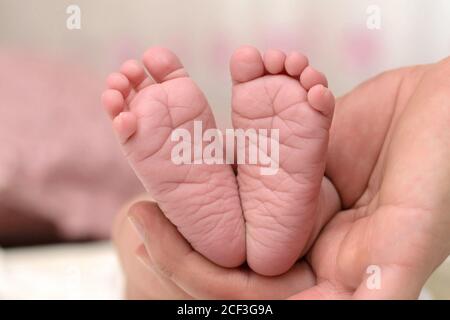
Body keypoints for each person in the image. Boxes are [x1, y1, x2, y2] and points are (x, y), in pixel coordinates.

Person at [113, 54, 450, 299]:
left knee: (131, 228)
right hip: (311, 244)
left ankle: (211, 223)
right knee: (323, 196)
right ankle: (306, 215)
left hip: (222, 239)